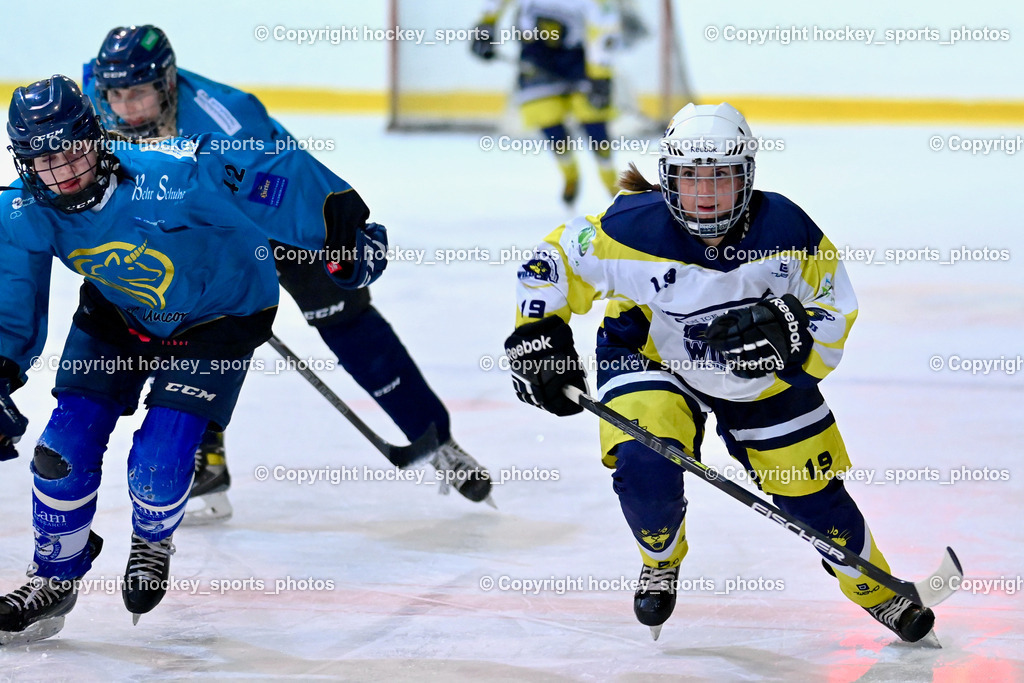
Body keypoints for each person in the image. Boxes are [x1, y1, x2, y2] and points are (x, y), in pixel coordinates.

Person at [503, 102, 938, 643]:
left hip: (759, 379)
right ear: (667, 179)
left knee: (814, 499)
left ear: (748, 178)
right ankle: (659, 555)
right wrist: (538, 332)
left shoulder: (790, 230)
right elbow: (552, 262)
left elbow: (834, 315)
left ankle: (878, 590)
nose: (705, 196)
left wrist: (794, 334)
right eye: (689, 180)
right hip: (651, 357)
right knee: (644, 463)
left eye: (721, 179)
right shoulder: (628, 229)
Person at [0, 74, 386, 644]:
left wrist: (344, 229)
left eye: (72, 151)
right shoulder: (21, 210)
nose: (63, 174)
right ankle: (55, 575)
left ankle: (153, 538)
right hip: (119, 315)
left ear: (97, 138)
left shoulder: (175, 172)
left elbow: (269, 176)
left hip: (220, 315)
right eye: (43, 161)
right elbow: (11, 303)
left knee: (158, 466)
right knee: (61, 451)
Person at [83, 25, 493, 522]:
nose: (126, 109)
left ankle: (435, 435)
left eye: (139, 94)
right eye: (117, 95)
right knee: (192, 323)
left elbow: (285, 184)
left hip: (281, 219)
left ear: (168, 84)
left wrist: (338, 236)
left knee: (343, 320)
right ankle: (203, 460)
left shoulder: (228, 122)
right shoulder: (96, 95)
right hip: (194, 220)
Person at [470, 0, 621, 205]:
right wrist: (486, 25)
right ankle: (570, 175)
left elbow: (604, 31)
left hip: (581, 59)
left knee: (595, 126)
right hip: (536, 56)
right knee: (548, 121)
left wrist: (600, 75)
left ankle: (614, 184)